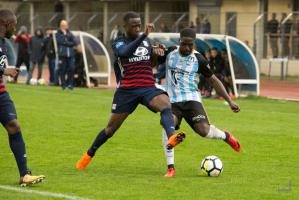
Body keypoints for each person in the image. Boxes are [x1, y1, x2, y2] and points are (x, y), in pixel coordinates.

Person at [76, 11, 186, 170]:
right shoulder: (118, 42)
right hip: (127, 91)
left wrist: (158, 53)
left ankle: (171, 138)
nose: (137, 28)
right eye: (133, 26)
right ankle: (88, 154)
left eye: (139, 26)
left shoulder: (147, 41)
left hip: (147, 87)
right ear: (125, 26)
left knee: (165, 105)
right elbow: (124, 53)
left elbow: (150, 64)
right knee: (110, 129)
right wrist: (144, 36)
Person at [157, 28, 241, 177]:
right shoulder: (170, 52)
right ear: (179, 42)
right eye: (185, 44)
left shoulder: (199, 59)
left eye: (191, 44)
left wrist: (229, 101)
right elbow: (152, 60)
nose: (188, 48)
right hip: (171, 101)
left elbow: (214, 80)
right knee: (167, 123)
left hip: (191, 99)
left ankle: (226, 136)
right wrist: (155, 51)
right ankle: (171, 168)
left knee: (204, 131)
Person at [0, 9, 45, 186]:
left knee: (14, 126)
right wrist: (4, 70)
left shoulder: (3, 42)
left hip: (1, 93)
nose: (16, 29)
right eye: (14, 25)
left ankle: (24, 175)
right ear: (6, 24)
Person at [56, 20, 77, 90]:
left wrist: (66, 42)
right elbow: (60, 41)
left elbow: (74, 42)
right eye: (63, 25)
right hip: (62, 55)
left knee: (72, 68)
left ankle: (70, 84)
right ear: (60, 26)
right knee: (62, 70)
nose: (64, 27)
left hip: (70, 55)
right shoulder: (58, 33)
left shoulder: (70, 33)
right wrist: (67, 41)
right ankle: (63, 84)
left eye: (65, 25)